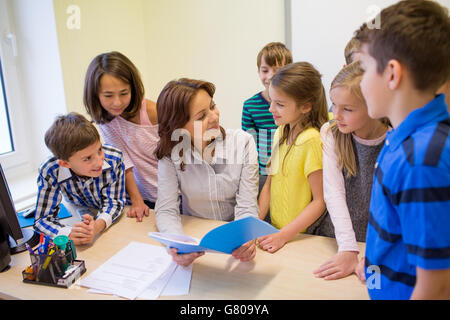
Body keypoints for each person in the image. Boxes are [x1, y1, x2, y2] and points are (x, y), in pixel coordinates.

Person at [355, 0, 450, 299]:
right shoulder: (403, 140)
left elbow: (435, 284)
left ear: (392, 74)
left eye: (364, 68)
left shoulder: (421, 160)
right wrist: (373, 263)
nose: (360, 82)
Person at [154, 78, 260, 266]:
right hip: (196, 240)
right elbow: (166, 209)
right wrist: (178, 245)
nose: (214, 117)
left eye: (213, 106)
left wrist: (246, 236)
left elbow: (246, 204)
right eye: (201, 116)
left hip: (233, 245)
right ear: (179, 127)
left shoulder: (243, 143)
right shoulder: (170, 156)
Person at [312, 61, 389, 281]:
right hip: (339, 237)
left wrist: (377, 252)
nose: (336, 114)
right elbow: (334, 193)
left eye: (347, 109)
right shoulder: (331, 132)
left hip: (379, 242)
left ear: (373, 106)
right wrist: (347, 248)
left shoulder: (395, 134)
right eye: (333, 105)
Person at [257, 62, 328, 253]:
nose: (271, 109)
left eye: (279, 104)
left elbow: (320, 201)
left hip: (300, 237)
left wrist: (284, 236)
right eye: (271, 101)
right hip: (277, 231)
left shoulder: (311, 140)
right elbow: (269, 184)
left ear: (305, 107)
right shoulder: (280, 132)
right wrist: (253, 225)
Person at [84, 51, 158, 222]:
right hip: (142, 196)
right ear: (95, 94)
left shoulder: (154, 112)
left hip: (174, 196)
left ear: (133, 88)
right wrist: (137, 200)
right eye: (108, 95)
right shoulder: (105, 120)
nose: (117, 102)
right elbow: (123, 161)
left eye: (124, 93)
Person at [34, 113, 128, 245]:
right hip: (78, 212)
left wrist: (97, 227)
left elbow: (114, 203)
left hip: (112, 218)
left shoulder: (113, 159)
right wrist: (69, 234)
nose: (99, 161)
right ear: (65, 164)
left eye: (99, 149)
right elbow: (42, 220)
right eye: (87, 158)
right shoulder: (50, 170)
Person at [241, 42, 293, 216]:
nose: (270, 76)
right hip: (263, 172)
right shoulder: (250, 106)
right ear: (258, 72)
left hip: (290, 171)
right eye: (265, 70)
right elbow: (247, 146)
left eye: (278, 70)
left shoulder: (294, 105)